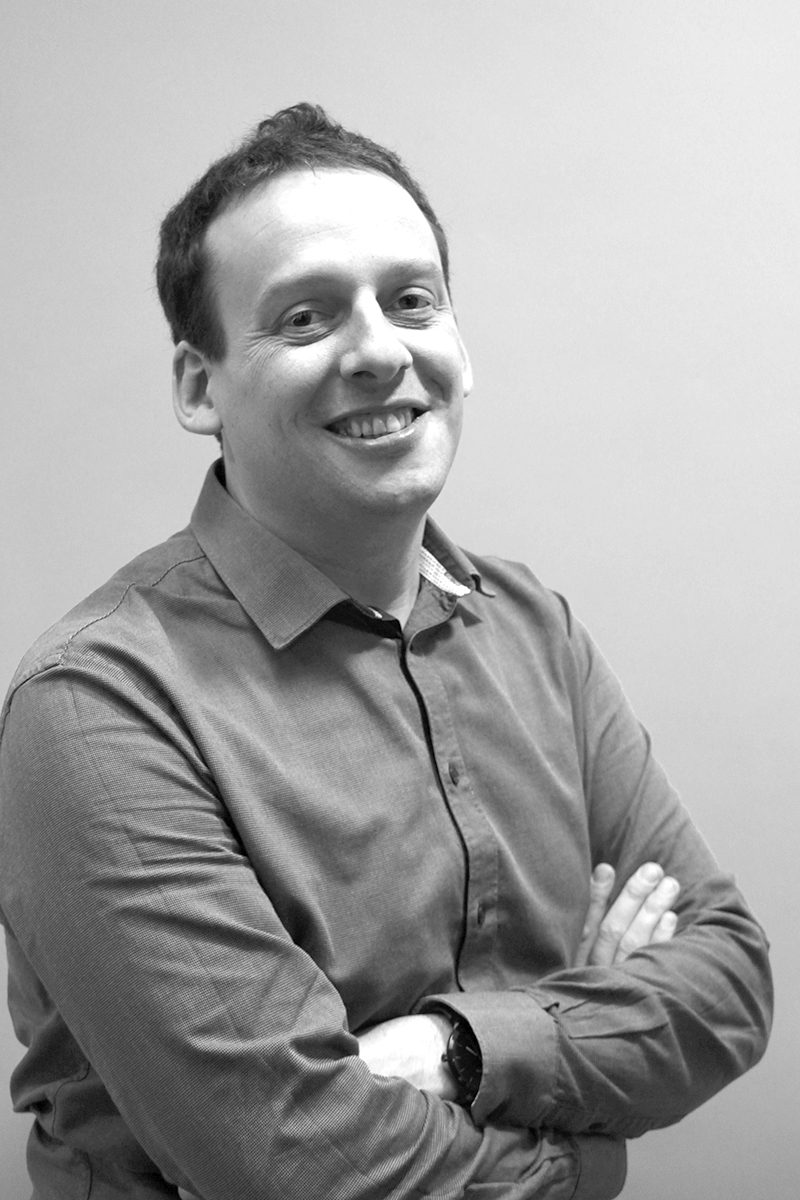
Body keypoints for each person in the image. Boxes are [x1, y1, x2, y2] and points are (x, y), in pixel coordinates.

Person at [0, 104, 771, 1200]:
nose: (378, 351)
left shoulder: (533, 631)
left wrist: (456, 1049)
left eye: (412, 300)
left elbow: (729, 981)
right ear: (198, 386)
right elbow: (298, 1168)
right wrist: (586, 1145)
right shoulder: (96, 706)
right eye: (304, 317)